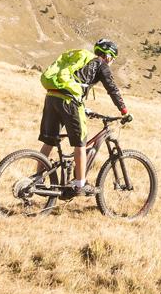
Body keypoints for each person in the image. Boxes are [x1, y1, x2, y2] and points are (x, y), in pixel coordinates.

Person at [39, 38, 128, 195]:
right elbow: (112, 89)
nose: (111, 61)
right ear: (108, 55)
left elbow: (76, 82)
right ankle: (80, 184)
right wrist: (124, 111)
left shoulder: (84, 61)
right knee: (81, 143)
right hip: (69, 100)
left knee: (49, 140)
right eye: (112, 58)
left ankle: (37, 179)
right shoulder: (101, 64)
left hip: (52, 96)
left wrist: (84, 108)